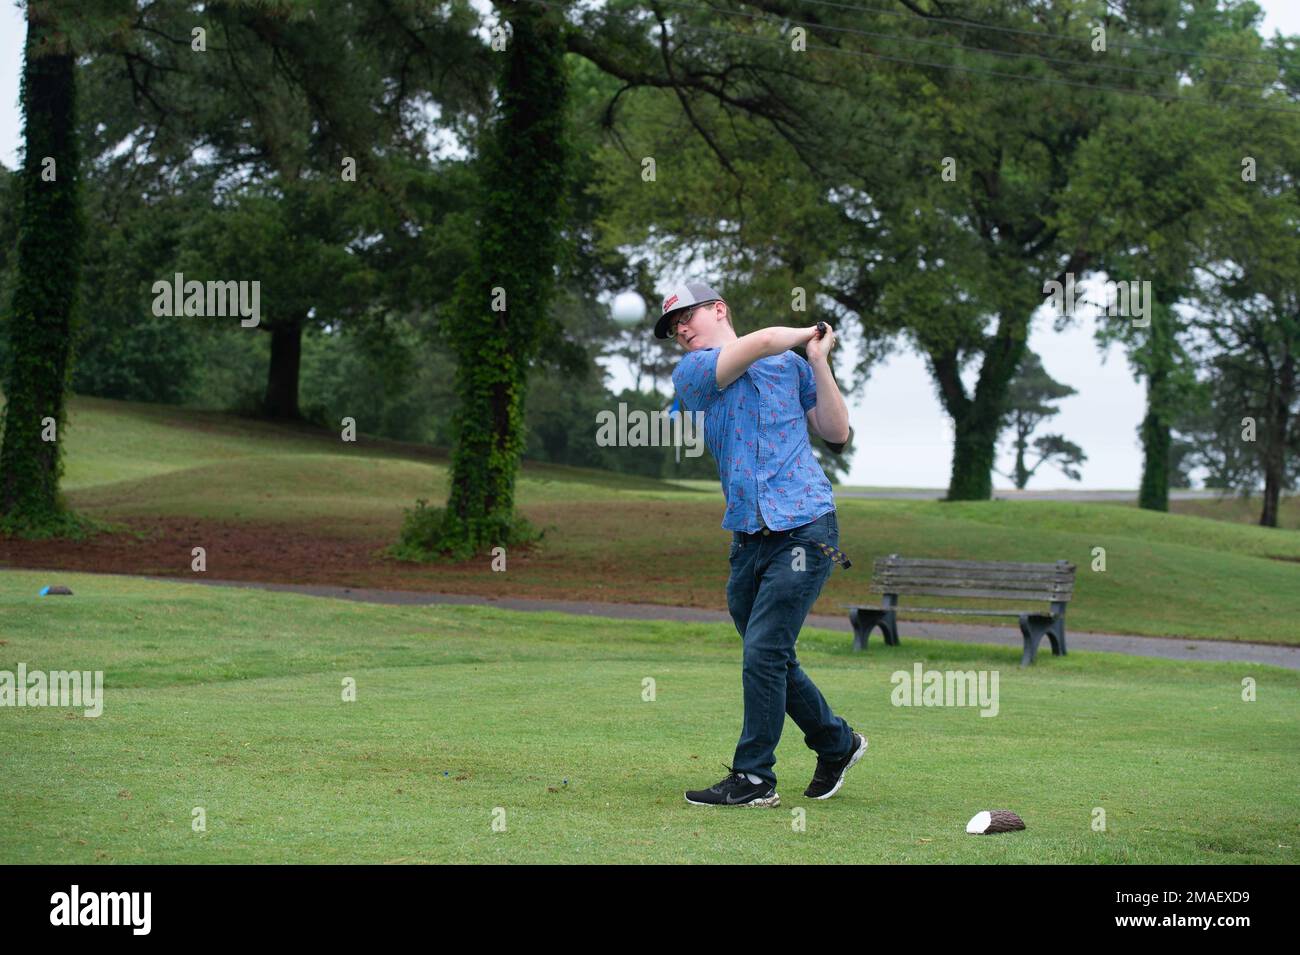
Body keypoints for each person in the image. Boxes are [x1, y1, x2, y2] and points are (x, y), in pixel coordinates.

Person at [655, 281, 868, 808]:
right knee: (769, 653)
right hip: (749, 535)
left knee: (765, 650)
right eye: (672, 327)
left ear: (718, 309)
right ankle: (836, 743)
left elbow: (837, 433)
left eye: (687, 316)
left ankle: (754, 778)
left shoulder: (790, 367)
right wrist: (811, 331)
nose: (680, 329)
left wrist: (817, 359)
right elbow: (769, 338)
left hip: (807, 527)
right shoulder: (696, 372)